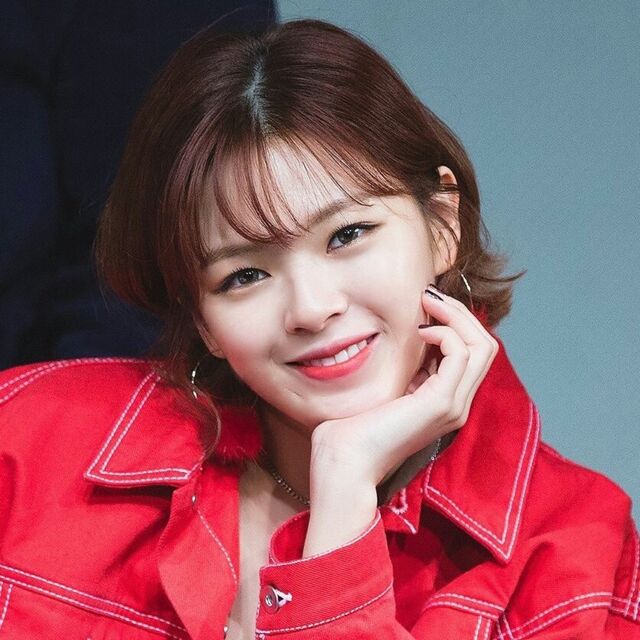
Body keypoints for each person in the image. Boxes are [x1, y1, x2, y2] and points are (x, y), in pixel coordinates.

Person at [0, 18, 638, 640]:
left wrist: (343, 498)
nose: (309, 308)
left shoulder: (577, 565)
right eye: (245, 275)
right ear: (202, 320)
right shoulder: (27, 443)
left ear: (443, 224)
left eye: (347, 235)